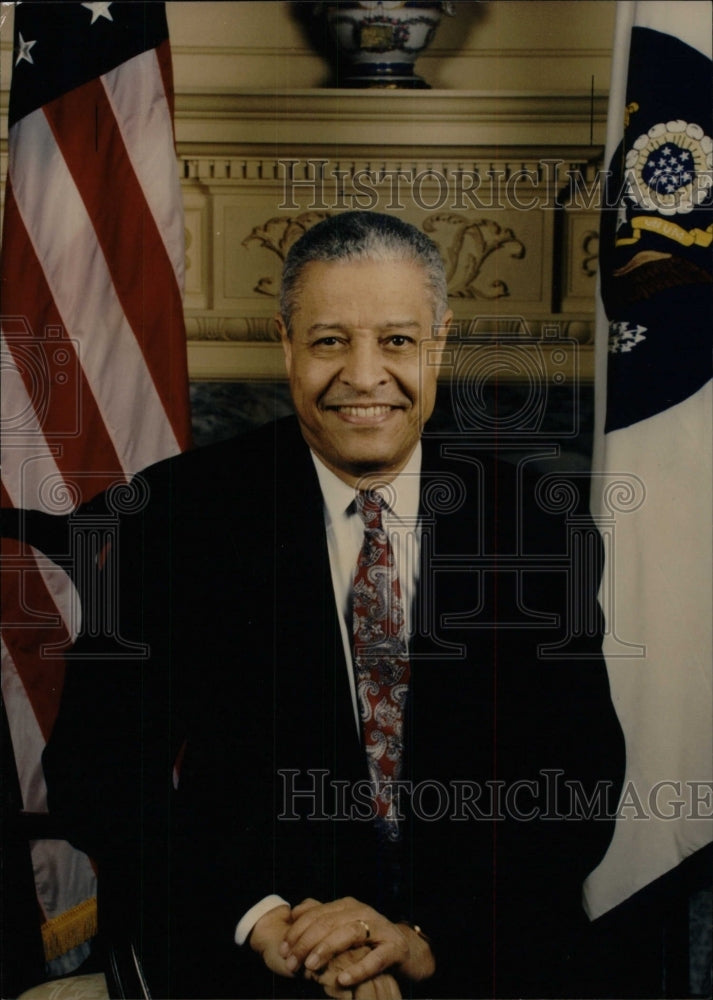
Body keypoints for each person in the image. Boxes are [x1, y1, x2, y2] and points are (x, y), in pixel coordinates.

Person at [43, 211, 624, 998]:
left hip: (477, 953)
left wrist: (419, 938)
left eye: (395, 340)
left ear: (439, 342)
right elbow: (97, 771)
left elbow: (577, 778)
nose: (362, 374)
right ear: (285, 343)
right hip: (251, 954)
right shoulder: (175, 514)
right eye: (328, 341)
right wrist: (269, 921)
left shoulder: (534, 520)